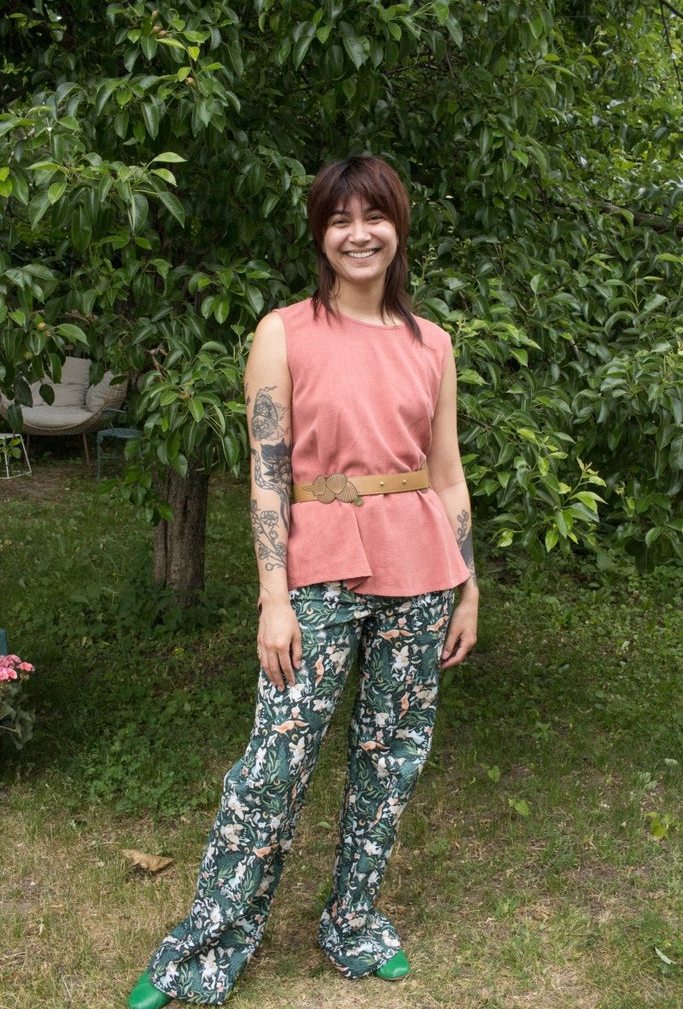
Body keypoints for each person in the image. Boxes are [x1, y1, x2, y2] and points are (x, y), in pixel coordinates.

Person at [127, 155, 478, 1009]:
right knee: (273, 767)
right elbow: (266, 474)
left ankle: (352, 923)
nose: (358, 234)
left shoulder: (432, 343)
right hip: (316, 568)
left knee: (391, 759)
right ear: (321, 236)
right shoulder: (283, 332)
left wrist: (467, 586)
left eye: (373, 217)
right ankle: (204, 950)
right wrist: (273, 596)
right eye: (338, 220)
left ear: (397, 228)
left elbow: (446, 472)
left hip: (420, 569)